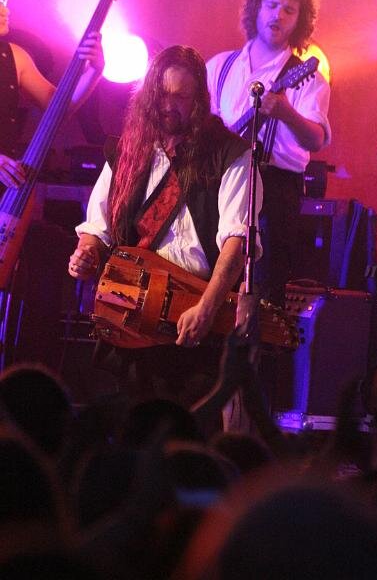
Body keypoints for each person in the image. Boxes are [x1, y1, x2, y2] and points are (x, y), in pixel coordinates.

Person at [68, 45, 262, 418]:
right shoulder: (128, 150)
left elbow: (237, 244)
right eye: (161, 95)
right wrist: (86, 252)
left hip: (193, 316)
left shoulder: (231, 155)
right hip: (129, 318)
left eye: (181, 97)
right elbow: (96, 227)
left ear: (199, 100)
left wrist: (206, 309)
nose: (168, 106)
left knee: (187, 429)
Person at [207, 0, 331, 308]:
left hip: (274, 191)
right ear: (256, 8)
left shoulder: (308, 77)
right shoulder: (220, 66)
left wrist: (287, 113)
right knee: (208, 280)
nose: (278, 15)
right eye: (272, 5)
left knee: (263, 293)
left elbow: (316, 139)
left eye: (289, 10)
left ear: (300, 20)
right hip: (219, 183)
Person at [0, 0, 104, 189]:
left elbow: (59, 108)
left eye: (4, 1)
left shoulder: (15, 56)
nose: (6, 10)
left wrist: (95, 70)